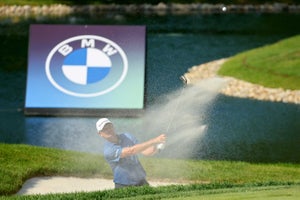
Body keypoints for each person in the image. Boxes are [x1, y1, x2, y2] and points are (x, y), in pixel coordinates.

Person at [96, 118, 166, 189]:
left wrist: (158, 147)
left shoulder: (127, 136)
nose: (108, 130)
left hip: (141, 180)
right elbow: (131, 151)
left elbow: (146, 152)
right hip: (123, 184)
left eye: (109, 126)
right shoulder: (108, 150)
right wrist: (154, 140)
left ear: (113, 126)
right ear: (100, 134)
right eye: (104, 129)